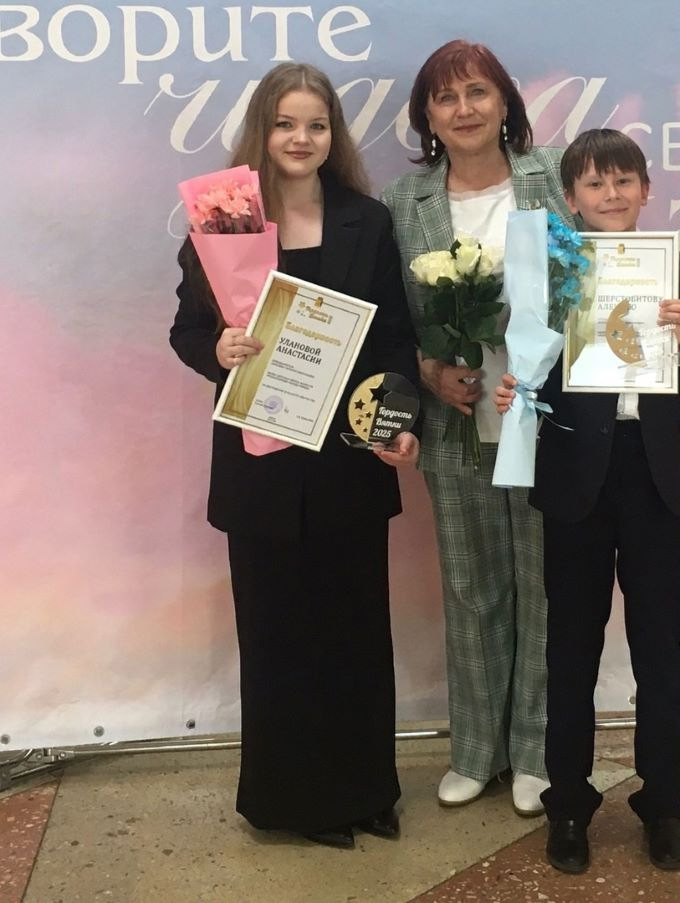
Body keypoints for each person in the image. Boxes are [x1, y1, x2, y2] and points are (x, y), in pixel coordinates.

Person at [170, 63, 420, 849]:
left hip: (347, 457)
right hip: (262, 461)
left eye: (315, 124)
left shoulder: (366, 221)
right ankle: (293, 802)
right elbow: (185, 331)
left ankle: (368, 791)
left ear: (332, 134)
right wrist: (217, 349)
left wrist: (398, 420)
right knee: (279, 637)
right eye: (285, 123)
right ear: (263, 131)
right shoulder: (223, 224)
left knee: (356, 631)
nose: (300, 138)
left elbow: (394, 338)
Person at [495, 128, 680, 873]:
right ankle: (568, 804)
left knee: (660, 650)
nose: (611, 194)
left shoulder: (677, 266)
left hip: (656, 478)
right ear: (571, 198)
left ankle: (665, 804)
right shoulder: (551, 269)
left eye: (624, 180)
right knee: (571, 650)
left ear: (646, 190)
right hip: (576, 477)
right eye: (594, 183)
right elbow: (530, 365)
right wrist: (516, 391)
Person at [381, 40, 575, 816]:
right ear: (427, 117)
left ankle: (534, 751)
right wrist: (429, 370)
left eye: (477, 92)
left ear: (505, 103)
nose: (463, 109)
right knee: (469, 587)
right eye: (445, 97)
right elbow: (391, 315)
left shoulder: (554, 176)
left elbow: (595, 279)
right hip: (455, 419)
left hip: (544, 415)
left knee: (544, 585)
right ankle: (475, 750)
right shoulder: (404, 202)